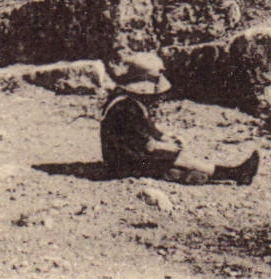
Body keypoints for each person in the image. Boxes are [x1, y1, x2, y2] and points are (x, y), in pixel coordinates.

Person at [100, 52, 260, 185]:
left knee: (173, 160)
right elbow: (144, 143)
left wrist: (165, 137)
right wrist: (169, 148)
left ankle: (179, 174)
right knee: (179, 157)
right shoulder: (127, 108)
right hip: (123, 163)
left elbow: (146, 130)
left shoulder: (126, 101)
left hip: (122, 158)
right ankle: (233, 173)